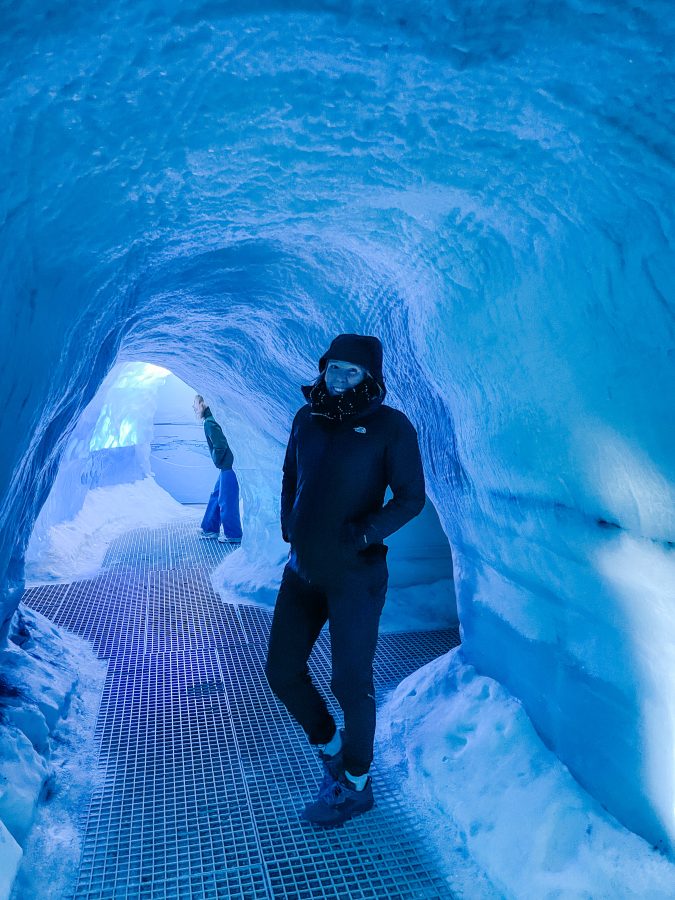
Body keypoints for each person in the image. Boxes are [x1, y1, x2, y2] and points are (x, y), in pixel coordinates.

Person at [265, 334, 425, 827]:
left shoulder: (390, 427)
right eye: (332, 367)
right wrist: (290, 524)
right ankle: (332, 748)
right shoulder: (305, 419)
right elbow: (291, 475)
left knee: (349, 682)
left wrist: (361, 534)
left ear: (370, 376)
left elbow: (411, 498)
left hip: (356, 575)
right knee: (282, 671)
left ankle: (356, 784)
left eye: (350, 371)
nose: (337, 378)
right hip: (303, 569)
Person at [193, 395, 243, 544]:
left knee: (227, 499)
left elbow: (220, 444)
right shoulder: (212, 418)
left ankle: (233, 534)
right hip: (227, 465)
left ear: (203, 403)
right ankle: (210, 529)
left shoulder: (209, 422)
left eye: (195, 403)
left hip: (228, 465)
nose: (194, 407)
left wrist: (217, 460)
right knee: (217, 495)